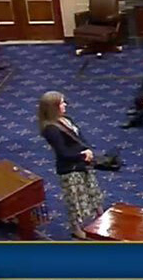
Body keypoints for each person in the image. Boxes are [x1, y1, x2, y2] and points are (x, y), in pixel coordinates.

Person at [38, 91, 106, 238]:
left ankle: (101, 218)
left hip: (83, 162)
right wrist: (82, 155)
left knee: (93, 192)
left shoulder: (66, 119)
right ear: (53, 107)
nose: (65, 105)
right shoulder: (50, 129)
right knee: (75, 201)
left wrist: (87, 150)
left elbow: (79, 138)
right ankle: (76, 228)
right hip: (70, 169)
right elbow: (63, 152)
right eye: (62, 103)